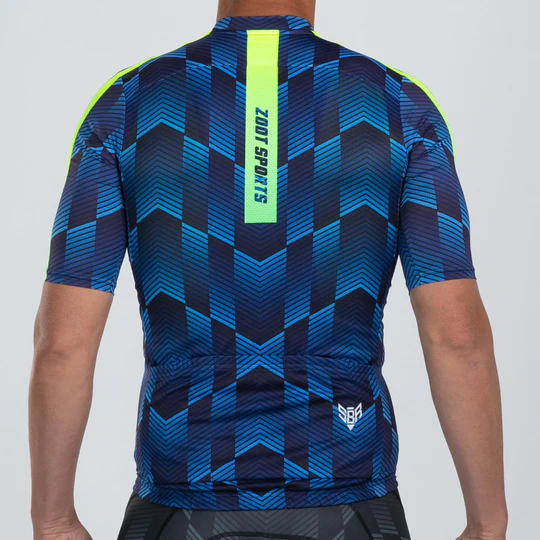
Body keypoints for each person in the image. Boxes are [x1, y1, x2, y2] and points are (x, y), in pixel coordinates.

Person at [29, 0, 508, 538]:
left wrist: (53, 519)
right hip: (349, 495)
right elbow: (456, 335)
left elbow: (62, 344)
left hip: (179, 497)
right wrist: (487, 522)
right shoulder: (401, 108)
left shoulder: (126, 106)